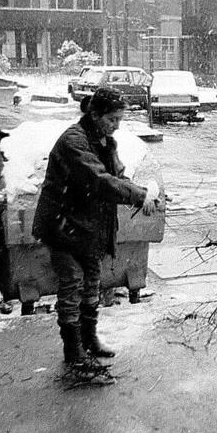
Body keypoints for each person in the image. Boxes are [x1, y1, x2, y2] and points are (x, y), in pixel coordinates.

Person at [32, 88, 159, 365]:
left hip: (88, 226)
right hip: (62, 225)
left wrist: (143, 192)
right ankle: (72, 347)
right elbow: (100, 181)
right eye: (113, 119)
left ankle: (89, 338)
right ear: (96, 114)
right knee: (72, 283)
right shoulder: (73, 141)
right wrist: (138, 195)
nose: (117, 126)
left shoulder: (105, 140)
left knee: (92, 282)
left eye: (120, 120)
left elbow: (118, 176)